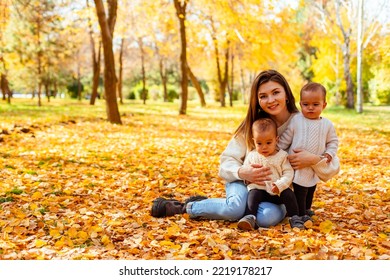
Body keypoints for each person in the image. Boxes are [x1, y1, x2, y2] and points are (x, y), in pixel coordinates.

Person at [151, 69, 325, 228]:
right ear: (257, 100)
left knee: (266, 218)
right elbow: (226, 162)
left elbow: (332, 167)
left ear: (287, 94)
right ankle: (187, 206)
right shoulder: (254, 126)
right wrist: (243, 172)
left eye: (275, 92)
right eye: (263, 96)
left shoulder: (305, 123)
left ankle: (219, 206)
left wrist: (315, 160)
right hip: (245, 182)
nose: (270, 100)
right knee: (234, 209)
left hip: (278, 190)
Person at [278, 82, 340, 223]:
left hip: (314, 166)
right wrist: (278, 150)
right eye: (306, 104)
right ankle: (299, 214)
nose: (310, 108)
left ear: (324, 105)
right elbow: (286, 138)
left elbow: (333, 142)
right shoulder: (297, 121)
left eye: (315, 104)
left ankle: (306, 209)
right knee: (300, 191)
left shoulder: (327, 125)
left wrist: (329, 154)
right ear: (301, 104)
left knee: (311, 189)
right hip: (298, 166)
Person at [236, 118, 304, 230]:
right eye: (259, 143)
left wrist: (280, 185)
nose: (264, 147)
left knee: (289, 194)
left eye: (268, 142)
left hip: (277, 192)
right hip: (260, 190)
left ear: (276, 140)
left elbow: (288, 173)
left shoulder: (282, 156)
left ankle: (295, 218)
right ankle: (249, 217)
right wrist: (247, 179)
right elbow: (246, 170)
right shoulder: (252, 156)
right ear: (254, 141)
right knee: (253, 194)